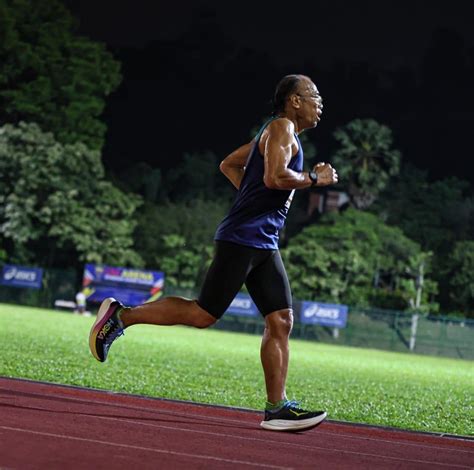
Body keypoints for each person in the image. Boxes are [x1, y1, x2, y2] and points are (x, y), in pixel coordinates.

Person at [89, 74, 338, 432]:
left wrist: (252, 198)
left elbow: (229, 165)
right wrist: (315, 180)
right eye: (314, 95)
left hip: (264, 242)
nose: (320, 103)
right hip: (243, 238)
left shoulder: (275, 134)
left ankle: (277, 408)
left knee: (281, 320)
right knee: (203, 314)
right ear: (294, 101)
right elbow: (275, 178)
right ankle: (121, 316)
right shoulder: (282, 127)